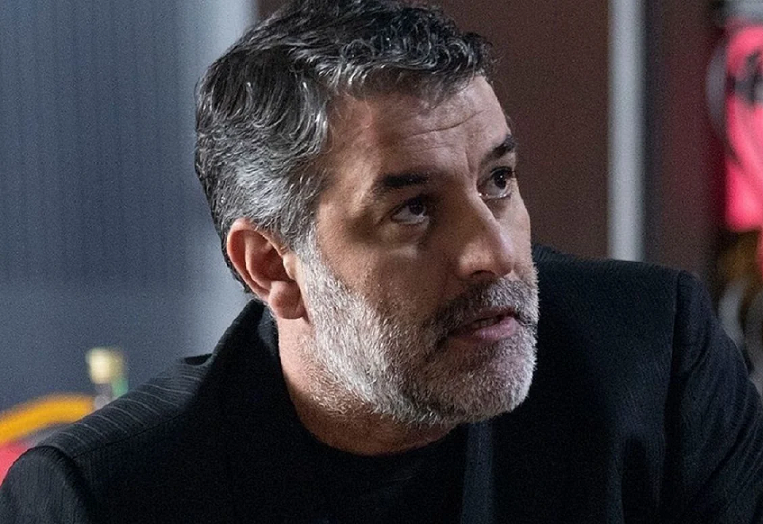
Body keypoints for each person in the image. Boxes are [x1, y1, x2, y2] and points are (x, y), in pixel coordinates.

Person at [2, 0, 762, 521]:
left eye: (498, 181)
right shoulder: (107, 495)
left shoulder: (651, 360)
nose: (494, 253)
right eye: (413, 208)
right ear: (271, 265)